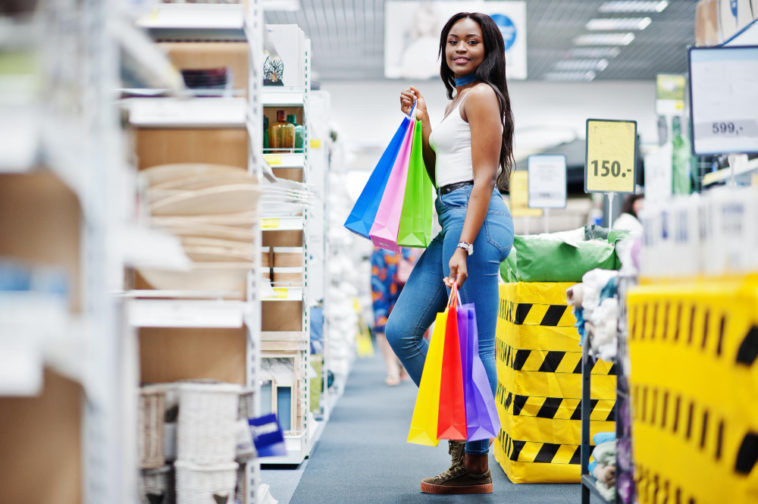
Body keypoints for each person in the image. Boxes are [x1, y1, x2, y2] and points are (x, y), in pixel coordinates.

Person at [386, 11, 515, 495]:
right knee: (402, 331)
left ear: (488, 49)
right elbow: (435, 168)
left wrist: (464, 244)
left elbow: (483, 177)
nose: (461, 49)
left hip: (474, 221)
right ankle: (463, 434)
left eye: (472, 42)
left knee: (477, 345)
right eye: (453, 42)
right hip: (454, 217)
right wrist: (421, 121)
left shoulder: (482, 96)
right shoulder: (456, 100)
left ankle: (475, 461)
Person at [370, 247, 418, 386]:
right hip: (382, 260)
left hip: (406, 258)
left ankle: (400, 361)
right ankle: (391, 368)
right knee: (381, 317)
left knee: (405, 319)